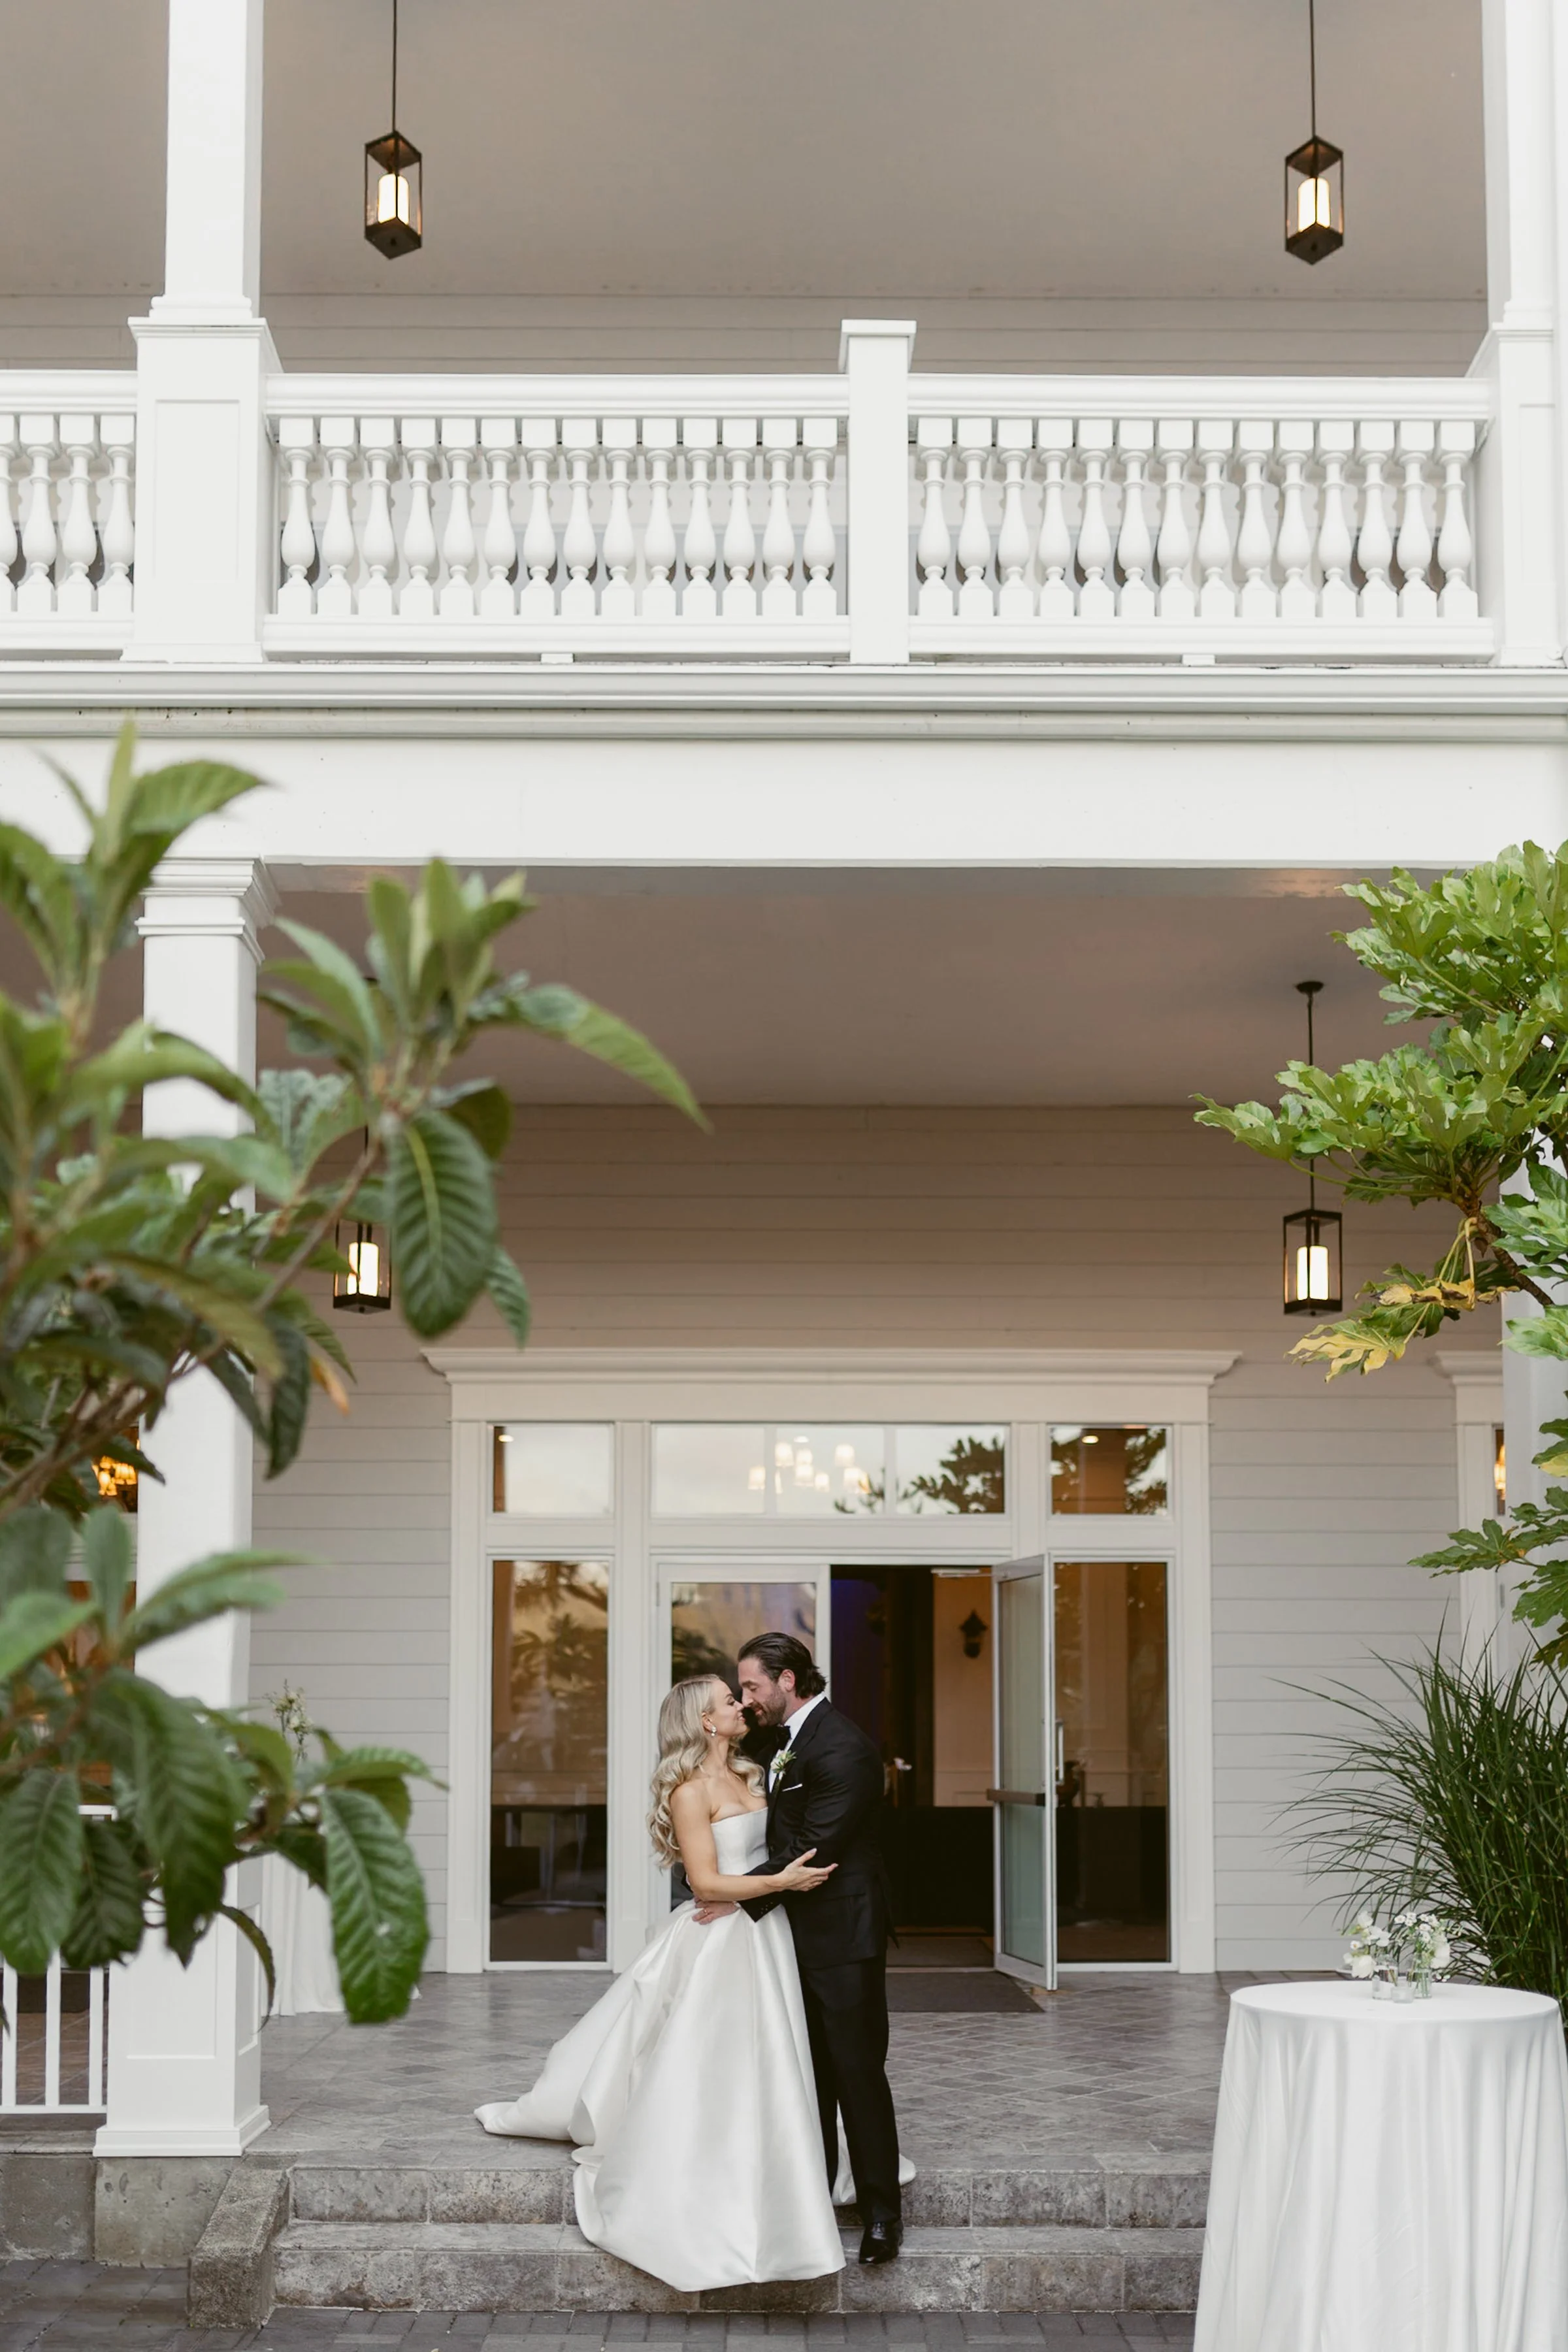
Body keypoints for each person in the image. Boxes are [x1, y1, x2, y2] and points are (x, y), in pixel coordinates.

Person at [472, 1674, 846, 2293]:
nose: (742, 1705)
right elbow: (705, 1885)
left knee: (774, 2054)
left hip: (768, 1934)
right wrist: (779, 1885)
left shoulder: (755, 1774)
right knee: (710, 2060)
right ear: (704, 1721)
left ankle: (785, 2163)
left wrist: (775, 1884)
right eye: (730, 1701)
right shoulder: (689, 1791)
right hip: (724, 1939)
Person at [723, 1631, 906, 2266]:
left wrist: (732, 1899)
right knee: (811, 2073)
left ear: (789, 1681)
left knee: (856, 2074)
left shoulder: (844, 1748)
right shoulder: (785, 1743)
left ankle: (882, 2215)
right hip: (796, 1935)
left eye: (752, 1686)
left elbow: (814, 1849)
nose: (746, 1700)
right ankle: (819, 2198)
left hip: (841, 1937)